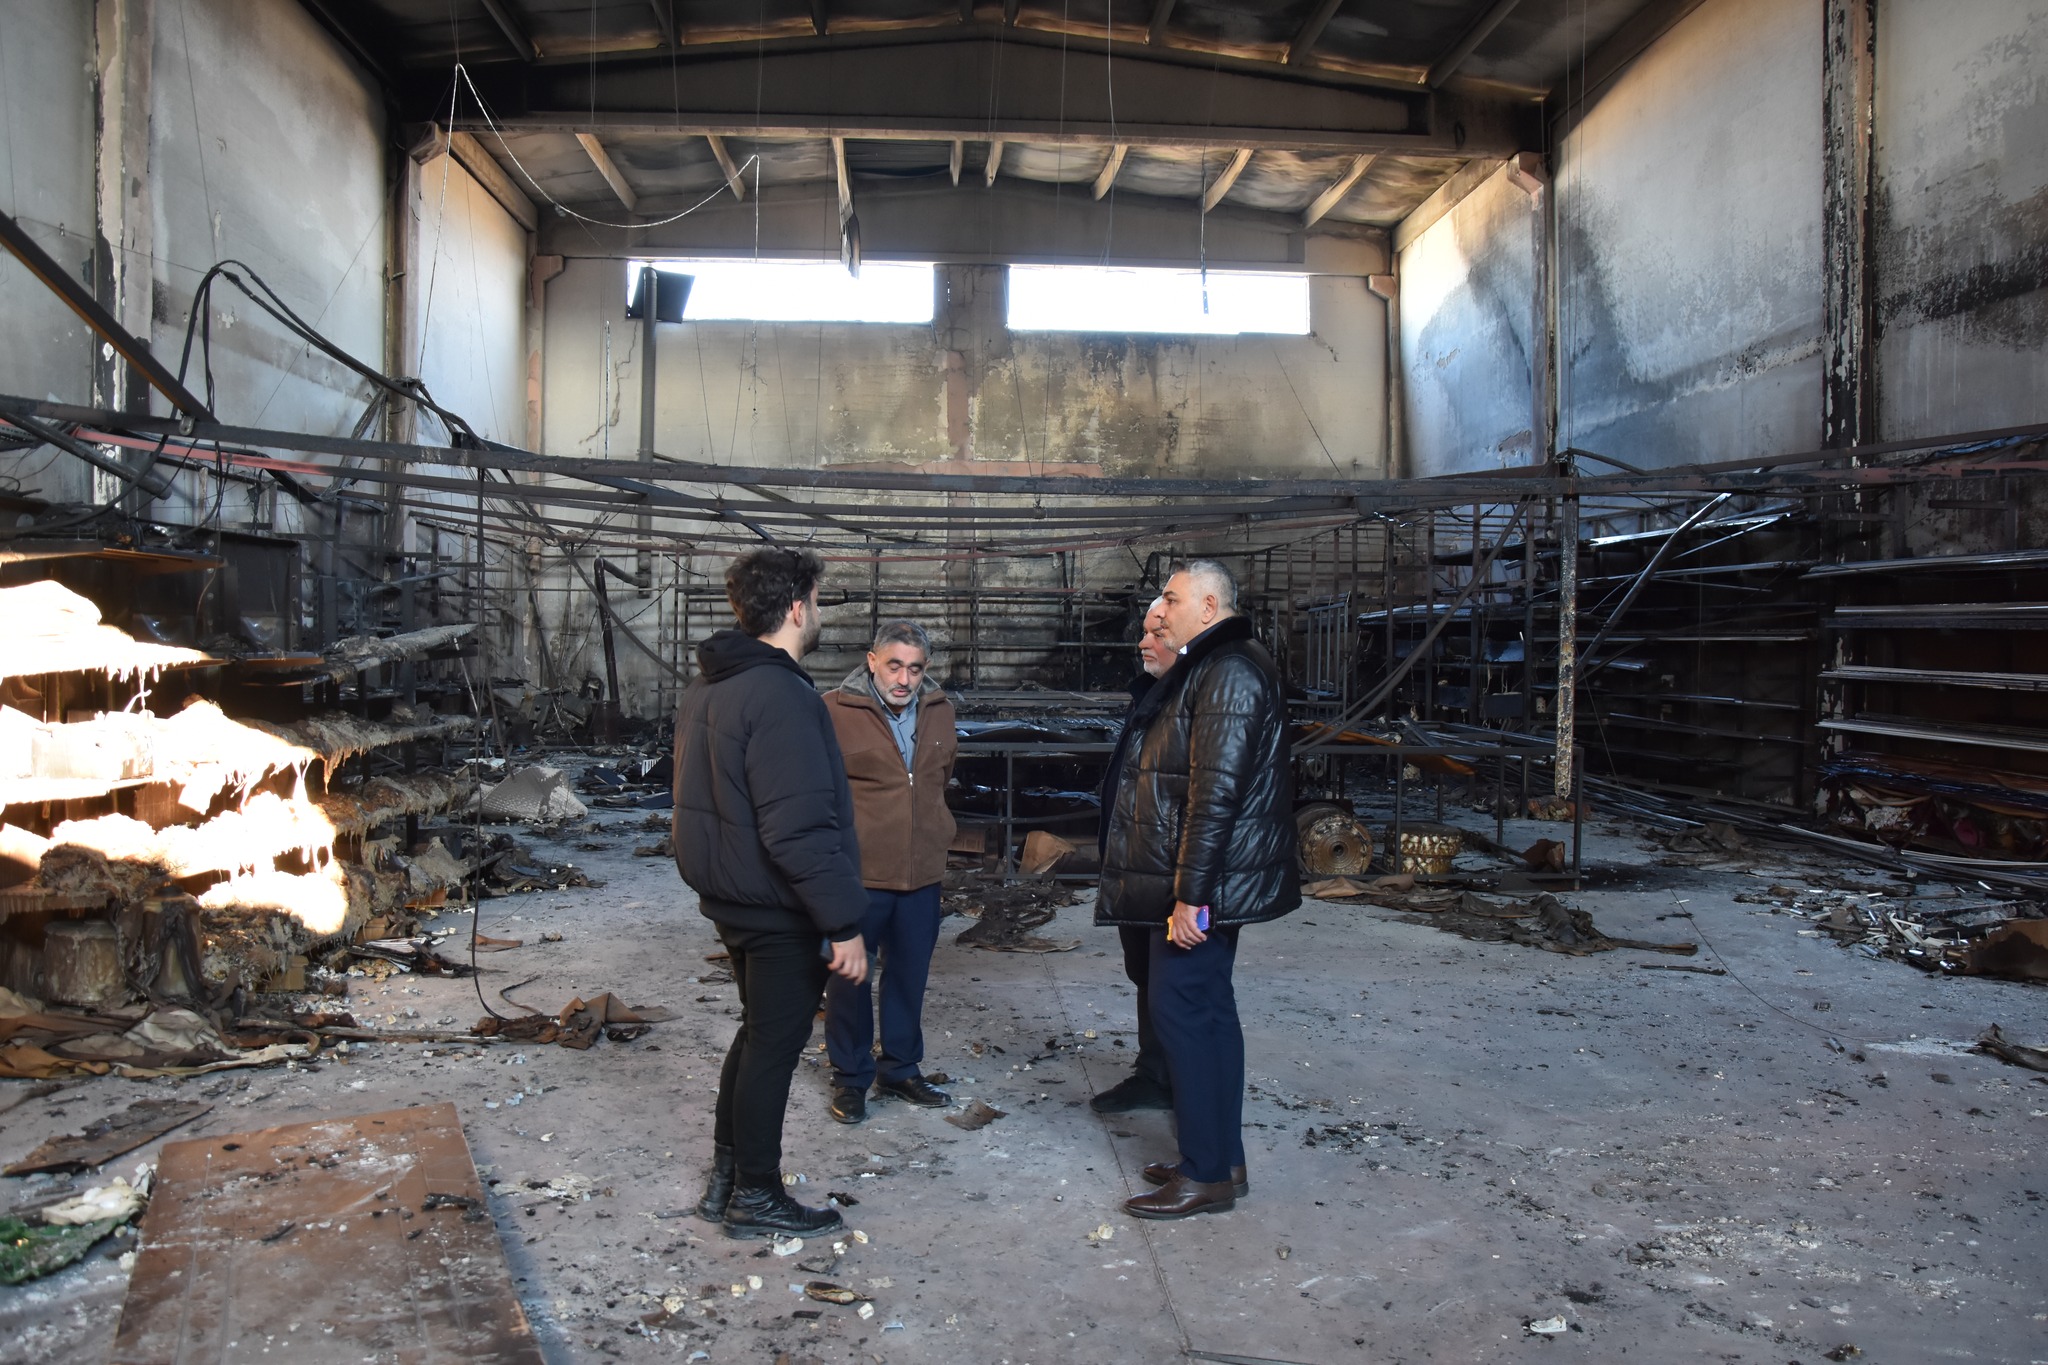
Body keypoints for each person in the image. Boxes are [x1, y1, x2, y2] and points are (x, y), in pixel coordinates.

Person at [671, 545, 870, 1240]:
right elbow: (798, 828)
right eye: (815, 599)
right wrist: (844, 922)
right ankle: (755, 1191)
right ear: (796, 606)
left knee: (758, 1034)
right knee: (775, 1046)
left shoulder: (711, 686)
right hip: (774, 903)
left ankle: (728, 1179)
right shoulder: (782, 695)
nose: (816, 611)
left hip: (732, 897)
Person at [1098, 558, 1298, 1220]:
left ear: (1210, 607)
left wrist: (1192, 895)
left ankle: (1207, 1172)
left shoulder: (1231, 670)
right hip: (1201, 879)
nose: (1162, 605)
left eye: (1173, 596)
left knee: (1187, 1012)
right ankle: (1217, 1156)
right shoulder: (1212, 665)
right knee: (1206, 1014)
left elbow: (1214, 793)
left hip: (1202, 886)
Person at [821, 620, 959, 1123]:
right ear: (872, 659)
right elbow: (818, 794)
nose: (904, 679)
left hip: (921, 874)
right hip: (859, 876)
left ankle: (900, 1068)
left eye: (915, 669)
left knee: (909, 976)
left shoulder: (939, 710)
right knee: (849, 980)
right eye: (895, 665)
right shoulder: (833, 711)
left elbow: (941, 779)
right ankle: (851, 1077)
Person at [1089, 598, 1176, 1115]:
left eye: (1156, 634)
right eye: (1144, 633)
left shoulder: (1190, 699)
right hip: (1136, 867)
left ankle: (1183, 1086)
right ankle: (1154, 1074)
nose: (1142, 643)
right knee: (1145, 972)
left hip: (1167, 872)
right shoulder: (1149, 694)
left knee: (1176, 985)